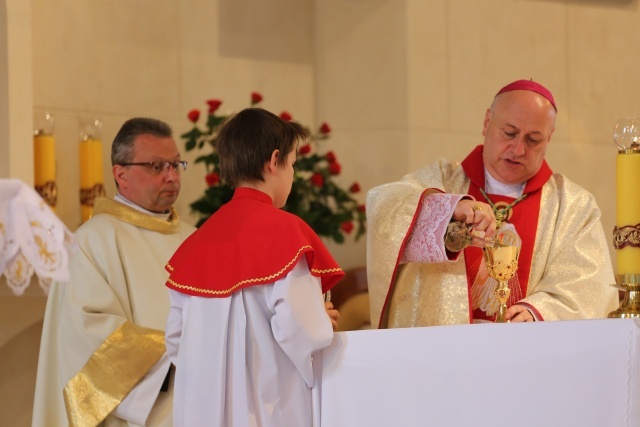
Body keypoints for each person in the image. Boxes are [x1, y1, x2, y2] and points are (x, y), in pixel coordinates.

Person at [367, 79, 619, 329]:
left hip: (527, 351)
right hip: (447, 351)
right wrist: (446, 209)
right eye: (509, 133)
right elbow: (384, 210)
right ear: (487, 122)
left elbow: (589, 285)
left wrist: (539, 312)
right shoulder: (442, 180)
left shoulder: (572, 206)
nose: (519, 149)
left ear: (549, 137)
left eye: (533, 139)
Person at [164, 108, 344, 427]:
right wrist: (321, 320)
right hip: (268, 410)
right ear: (275, 161)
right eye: (293, 164)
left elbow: (177, 340)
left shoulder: (197, 242)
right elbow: (303, 332)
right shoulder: (286, 234)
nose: (292, 175)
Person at [32, 118, 196, 426]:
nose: (171, 176)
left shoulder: (196, 239)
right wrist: (181, 355)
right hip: (148, 409)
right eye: (157, 166)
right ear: (120, 174)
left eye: (176, 165)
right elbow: (86, 337)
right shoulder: (91, 241)